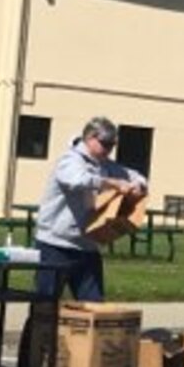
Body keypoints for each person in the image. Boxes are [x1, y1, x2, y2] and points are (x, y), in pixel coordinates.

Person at [34, 116, 149, 303]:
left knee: (94, 306)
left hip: (87, 246)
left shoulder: (106, 165)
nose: (109, 149)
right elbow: (77, 180)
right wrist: (110, 182)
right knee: (45, 309)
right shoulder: (69, 160)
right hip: (55, 245)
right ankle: (35, 334)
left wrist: (138, 185)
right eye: (105, 144)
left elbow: (136, 176)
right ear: (90, 138)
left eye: (113, 144)